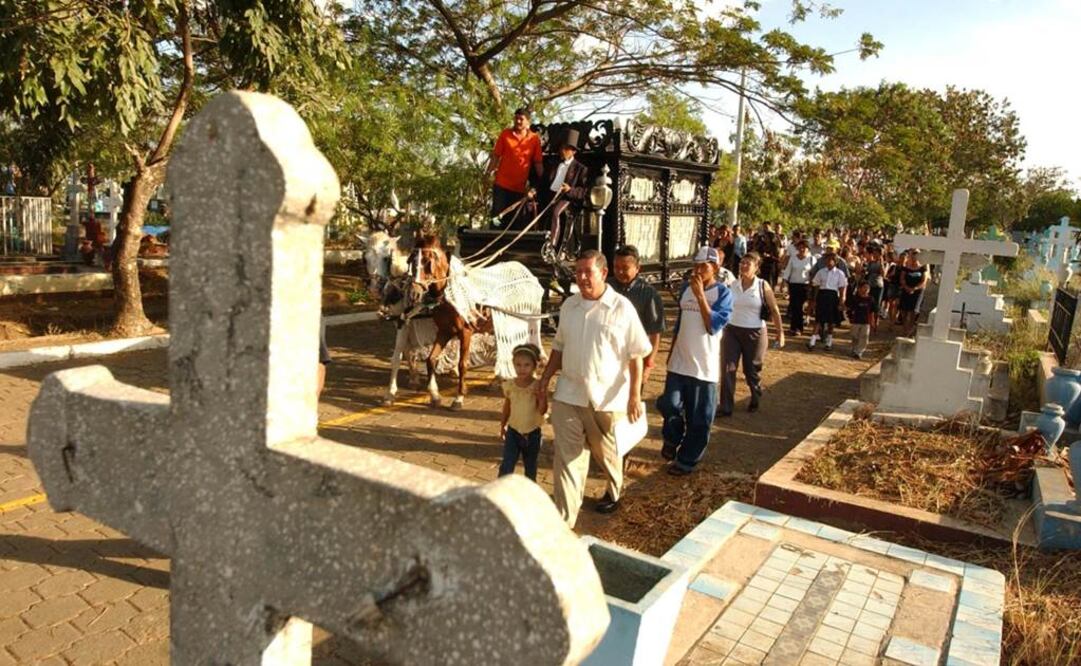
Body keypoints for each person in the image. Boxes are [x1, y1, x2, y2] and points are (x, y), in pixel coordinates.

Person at [537, 249, 651, 524]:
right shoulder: (569, 306)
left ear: (603, 273)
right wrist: (544, 381)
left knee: (607, 454)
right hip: (569, 394)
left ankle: (614, 489)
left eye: (588, 272)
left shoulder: (622, 308)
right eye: (578, 272)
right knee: (568, 459)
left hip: (607, 399)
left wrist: (634, 396)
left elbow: (637, 356)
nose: (583, 277)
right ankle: (565, 521)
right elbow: (559, 347)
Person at [657, 247, 733, 475]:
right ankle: (672, 438)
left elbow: (713, 326)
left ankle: (686, 460)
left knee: (700, 418)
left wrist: (700, 295)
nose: (698, 270)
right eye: (696, 265)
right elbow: (681, 323)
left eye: (704, 266)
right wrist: (671, 352)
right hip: (679, 362)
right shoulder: (684, 290)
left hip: (704, 367)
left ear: (715, 268)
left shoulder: (723, 294)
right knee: (669, 404)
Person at [719, 252, 784, 416]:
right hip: (732, 331)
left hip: (755, 332)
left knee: (751, 370)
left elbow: (775, 310)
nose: (744, 266)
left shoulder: (762, 286)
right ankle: (726, 406)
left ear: (757, 268)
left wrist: (780, 332)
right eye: (742, 263)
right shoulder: (733, 285)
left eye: (748, 263)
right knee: (727, 368)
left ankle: (755, 395)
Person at [609, 245, 665, 390]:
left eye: (625, 268)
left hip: (635, 359)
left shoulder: (648, 293)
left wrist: (648, 366)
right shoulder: (607, 288)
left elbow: (654, 332)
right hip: (608, 357)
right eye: (616, 267)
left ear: (637, 268)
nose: (620, 272)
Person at [531, 129, 589, 251]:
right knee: (530, 208)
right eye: (561, 148)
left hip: (566, 198)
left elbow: (584, 191)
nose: (562, 151)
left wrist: (569, 190)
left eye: (566, 148)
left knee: (556, 212)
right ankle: (533, 244)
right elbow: (543, 182)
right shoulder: (553, 164)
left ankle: (552, 247)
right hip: (549, 196)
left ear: (573, 151)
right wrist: (534, 190)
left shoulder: (581, 169)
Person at [487, 106, 543, 226]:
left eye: (521, 119)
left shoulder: (534, 139)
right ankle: (493, 241)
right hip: (501, 184)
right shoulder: (505, 134)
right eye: (516, 118)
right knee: (497, 219)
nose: (518, 121)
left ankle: (510, 244)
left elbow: (538, 162)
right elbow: (496, 156)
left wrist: (544, 180)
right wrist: (488, 173)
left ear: (528, 121)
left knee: (514, 220)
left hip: (519, 188)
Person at [499, 344, 545, 481]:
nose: (522, 369)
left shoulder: (537, 386)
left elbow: (543, 410)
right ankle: (500, 491)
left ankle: (530, 493)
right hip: (513, 431)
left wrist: (541, 397)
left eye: (526, 365)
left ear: (534, 366)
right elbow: (507, 406)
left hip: (532, 433)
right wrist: (503, 425)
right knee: (507, 464)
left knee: (530, 466)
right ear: (513, 365)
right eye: (518, 365)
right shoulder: (510, 385)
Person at [809, 252, 848, 351]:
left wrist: (841, 301)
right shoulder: (821, 272)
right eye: (827, 259)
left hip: (832, 296)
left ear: (835, 262)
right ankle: (812, 341)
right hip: (822, 295)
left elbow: (842, 288)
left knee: (831, 321)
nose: (828, 262)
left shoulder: (840, 273)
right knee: (818, 319)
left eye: (831, 260)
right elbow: (816, 285)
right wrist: (814, 300)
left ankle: (829, 342)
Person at [782, 239, 814, 335]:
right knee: (794, 306)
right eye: (800, 247)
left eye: (804, 247)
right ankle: (793, 327)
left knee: (799, 307)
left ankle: (798, 328)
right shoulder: (793, 258)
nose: (802, 249)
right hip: (793, 285)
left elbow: (814, 273)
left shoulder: (811, 259)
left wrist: (811, 285)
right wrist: (784, 282)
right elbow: (788, 271)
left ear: (808, 249)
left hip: (805, 286)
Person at [899, 249, 929, 336]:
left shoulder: (923, 268)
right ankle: (905, 328)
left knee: (913, 311)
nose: (915, 257)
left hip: (917, 291)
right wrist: (906, 287)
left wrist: (914, 288)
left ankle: (910, 328)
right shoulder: (906, 267)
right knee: (903, 310)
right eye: (913, 255)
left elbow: (924, 281)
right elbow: (902, 278)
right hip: (906, 290)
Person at [847, 282, 874, 359]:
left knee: (864, 337)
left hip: (866, 322)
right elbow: (850, 309)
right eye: (864, 287)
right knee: (854, 336)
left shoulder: (870, 299)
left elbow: (872, 311)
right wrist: (850, 318)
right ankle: (854, 349)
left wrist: (872, 321)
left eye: (867, 288)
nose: (865, 290)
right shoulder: (855, 298)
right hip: (856, 320)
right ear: (859, 288)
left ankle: (859, 352)